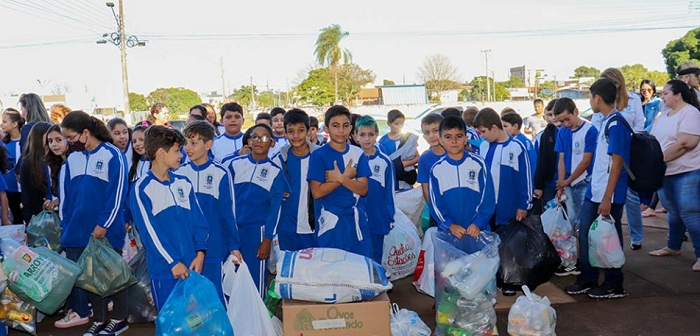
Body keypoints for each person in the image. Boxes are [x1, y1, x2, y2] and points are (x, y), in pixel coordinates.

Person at [58, 111, 130, 334]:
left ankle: (119, 319)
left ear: (86, 133)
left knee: (112, 277)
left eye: (70, 137)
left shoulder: (112, 155)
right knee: (88, 279)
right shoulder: (73, 158)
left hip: (105, 231)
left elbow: (117, 195)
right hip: (77, 232)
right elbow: (67, 196)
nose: (68, 143)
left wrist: (103, 225)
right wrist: (65, 224)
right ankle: (98, 319)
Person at [129, 126, 208, 311]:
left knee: (195, 322)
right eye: (177, 151)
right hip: (166, 271)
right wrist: (172, 261)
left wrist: (200, 252)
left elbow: (199, 222)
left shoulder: (184, 183)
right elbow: (150, 233)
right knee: (171, 323)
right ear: (161, 153)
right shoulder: (142, 188)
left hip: (191, 267)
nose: (182, 155)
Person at [565, 78, 630, 299]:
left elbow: (618, 162)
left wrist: (607, 197)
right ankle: (588, 277)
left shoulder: (616, 123)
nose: (590, 101)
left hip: (607, 194)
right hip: (596, 192)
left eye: (590, 97)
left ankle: (614, 284)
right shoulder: (604, 121)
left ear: (597, 98)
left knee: (609, 238)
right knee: (587, 235)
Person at [176, 121, 242, 303]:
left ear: (208, 145)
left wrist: (233, 245)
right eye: (186, 143)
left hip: (215, 247)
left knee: (216, 296)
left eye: (194, 143)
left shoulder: (221, 172)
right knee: (191, 299)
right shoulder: (179, 173)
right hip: (187, 248)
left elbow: (228, 213)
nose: (188, 148)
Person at [225, 124, 285, 296]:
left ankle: (256, 320)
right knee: (230, 277)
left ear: (272, 143)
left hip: (256, 233)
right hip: (232, 230)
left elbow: (275, 210)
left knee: (254, 280)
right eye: (255, 137)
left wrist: (267, 239)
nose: (259, 141)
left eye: (265, 137)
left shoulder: (275, 172)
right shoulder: (235, 164)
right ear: (249, 141)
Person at [648, 80, 700, 272]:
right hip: (667, 171)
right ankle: (673, 246)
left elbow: (686, 143)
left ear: (678, 95)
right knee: (673, 211)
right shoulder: (665, 115)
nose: (662, 96)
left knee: (690, 212)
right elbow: (653, 139)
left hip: (687, 171)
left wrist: (659, 160)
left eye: (666, 93)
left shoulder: (690, 113)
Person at [308, 105, 372, 258]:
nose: (341, 131)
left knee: (359, 269)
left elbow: (363, 189)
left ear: (351, 128)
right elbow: (316, 192)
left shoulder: (358, 153)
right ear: (326, 128)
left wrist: (341, 178)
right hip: (331, 222)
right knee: (332, 271)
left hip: (356, 221)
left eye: (345, 126)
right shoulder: (318, 155)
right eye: (335, 126)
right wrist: (345, 178)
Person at [592, 68, 645, 250]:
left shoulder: (633, 99)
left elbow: (639, 124)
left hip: (626, 152)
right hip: (609, 153)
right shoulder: (603, 110)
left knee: (629, 199)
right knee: (616, 205)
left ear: (617, 83)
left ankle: (636, 236)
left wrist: (624, 140)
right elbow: (597, 127)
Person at [551, 98, 597, 277]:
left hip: (584, 182)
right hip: (569, 184)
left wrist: (567, 181)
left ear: (576, 111)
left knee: (584, 224)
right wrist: (561, 184)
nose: (565, 124)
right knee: (570, 224)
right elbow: (561, 160)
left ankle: (587, 260)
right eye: (561, 121)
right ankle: (573, 260)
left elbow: (586, 161)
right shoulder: (563, 132)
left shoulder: (590, 130)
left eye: (567, 119)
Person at [429, 116, 495, 239]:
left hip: (477, 231)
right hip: (449, 233)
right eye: (448, 137)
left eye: (459, 136)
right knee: (453, 259)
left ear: (466, 139)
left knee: (480, 258)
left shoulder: (478, 164)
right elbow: (435, 204)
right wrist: (450, 225)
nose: (454, 141)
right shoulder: (437, 169)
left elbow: (488, 198)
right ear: (440, 140)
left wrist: (478, 223)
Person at [474, 107, 533, 231]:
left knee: (508, 245)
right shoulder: (484, 146)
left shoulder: (516, 147)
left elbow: (525, 179)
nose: (482, 136)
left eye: (483, 132)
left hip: (508, 209)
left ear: (494, 128)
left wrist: (524, 206)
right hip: (486, 208)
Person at [272, 109, 319, 252]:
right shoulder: (278, 159)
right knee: (289, 270)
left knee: (313, 271)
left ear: (309, 131)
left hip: (314, 227)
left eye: (301, 130)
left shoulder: (320, 157)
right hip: (287, 227)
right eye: (291, 131)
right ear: (285, 133)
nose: (296, 135)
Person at [355, 115, 396, 263]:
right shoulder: (351, 159)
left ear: (377, 135)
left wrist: (389, 216)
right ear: (355, 136)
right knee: (358, 255)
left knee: (376, 253)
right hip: (356, 217)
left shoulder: (384, 161)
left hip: (377, 216)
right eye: (362, 135)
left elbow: (389, 192)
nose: (367, 139)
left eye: (371, 134)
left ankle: (375, 283)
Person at [18, 122, 51, 224]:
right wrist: (29, 225)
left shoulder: (56, 159)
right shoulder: (28, 163)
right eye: (49, 138)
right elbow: (27, 198)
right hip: (38, 218)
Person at [378, 109, 419, 190]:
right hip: (391, 180)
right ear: (389, 123)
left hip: (406, 178)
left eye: (402, 124)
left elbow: (417, 157)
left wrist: (404, 164)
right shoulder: (383, 141)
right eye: (396, 124)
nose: (399, 126)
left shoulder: (408, 138)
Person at [417, 113, 445, 228]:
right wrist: (436, 211)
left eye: (435, 130)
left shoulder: (456, 154)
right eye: (427, 132)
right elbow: (426, 190)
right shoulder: (424, 159)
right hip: (437, 214)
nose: (431, 136)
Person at [533, 99, 561, 206]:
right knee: (549, 215)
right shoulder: (546, 134)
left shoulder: (571, 131)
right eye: (550, 114)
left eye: (556, 114)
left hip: (569, 183)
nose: (553, 117)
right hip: (550, 182)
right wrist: (538, 185)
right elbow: (541, 160)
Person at [2, 108, 24, 224]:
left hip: (26, 189)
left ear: (15, 124)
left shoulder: (26, 142)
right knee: (16, 220)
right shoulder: (3, 144)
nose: (1, 124)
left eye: (5, 121)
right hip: (10, 189)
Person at [501, 112, 537, 178]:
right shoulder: (524, 140)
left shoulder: (517, 142)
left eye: (505, 126)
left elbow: (532, 164)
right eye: (502, 126)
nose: (503, 129)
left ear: (515, 126)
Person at [43, 125, 68, 210]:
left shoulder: (75, 163)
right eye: (50, 141)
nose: (53, 144)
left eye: (59, 140)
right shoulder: (55, 164)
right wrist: (52, 203)